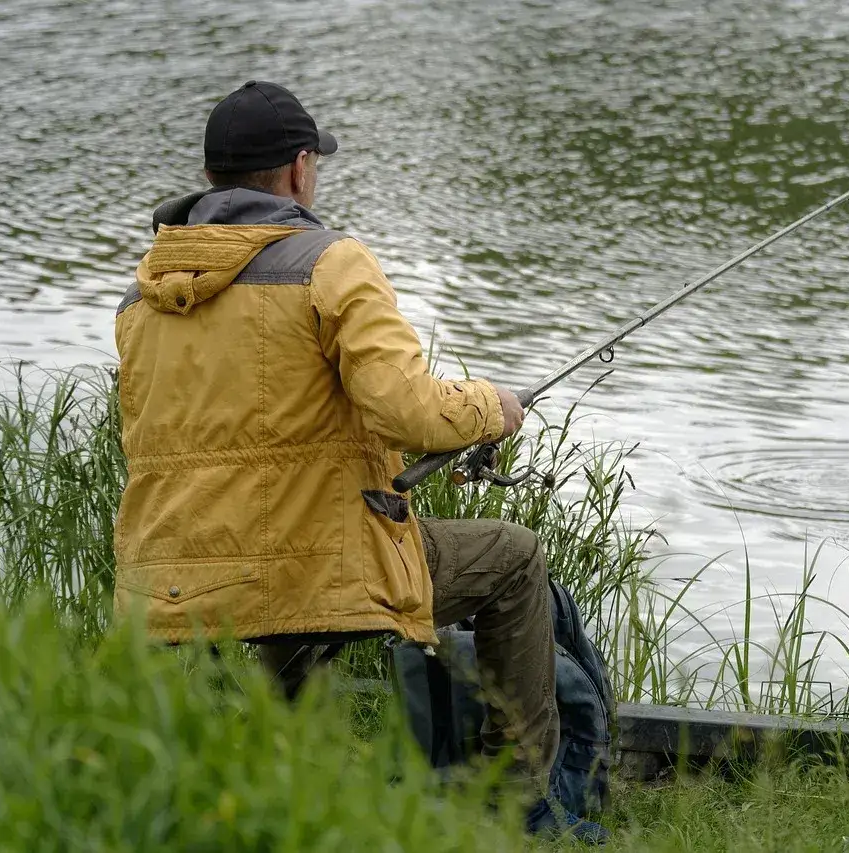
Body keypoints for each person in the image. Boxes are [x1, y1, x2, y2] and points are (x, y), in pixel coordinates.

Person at [112, 80, 605, 842]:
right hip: (306, 563)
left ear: (210, 179)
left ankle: (289, 795)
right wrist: (491, 407)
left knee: (286, 592)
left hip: (179, 572)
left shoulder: (143, 298)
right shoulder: (328, 262)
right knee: (512, 556)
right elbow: (408, 408)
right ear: (300, 170)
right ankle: (522, 806)